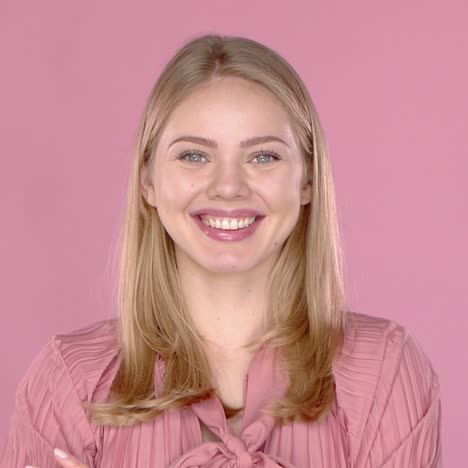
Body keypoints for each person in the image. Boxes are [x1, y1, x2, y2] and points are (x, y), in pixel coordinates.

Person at [0, 34, 442, 468]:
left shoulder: (387, 370)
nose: (228, 187)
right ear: (148, 181)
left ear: (307, 181)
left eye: (264, 157)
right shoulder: (69, 381)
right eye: (193, 155)